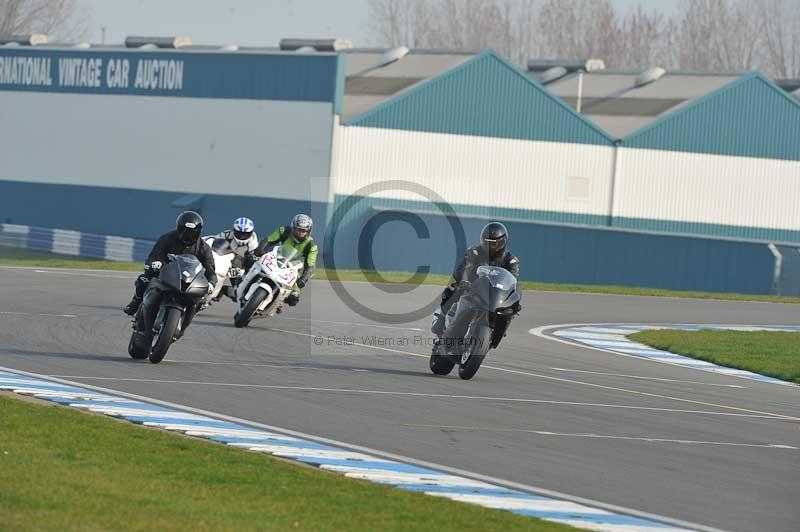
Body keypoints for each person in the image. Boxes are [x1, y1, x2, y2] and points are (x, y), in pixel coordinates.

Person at [123, 212, 218, 337]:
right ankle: (135, 303)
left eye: (191, 232)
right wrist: (155, 264)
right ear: (178, 228)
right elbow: (153, 256)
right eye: (183, 231)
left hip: (188, 281)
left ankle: (182, 327)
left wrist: (211, 284)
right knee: (144, 279)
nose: (187, 235)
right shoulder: (167, 238)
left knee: (201, 301)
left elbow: (211, 270)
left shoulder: (203, 248)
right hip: (166, 274)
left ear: (198, 232)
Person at [431, 222, 520, 336]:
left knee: (510, 309)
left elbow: (514, 281)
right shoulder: (474, 252)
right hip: (473, 288)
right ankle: (441, 318)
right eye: (487, 243)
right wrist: (463, 280)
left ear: (502, 242)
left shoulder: (510, 260)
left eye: (494, 244)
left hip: (496, 295)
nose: (490, 247)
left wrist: (515, 297)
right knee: (452, 289)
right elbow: (463, 269)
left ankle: (498, 332)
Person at [250, 214, 318, 307]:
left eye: (304, 231)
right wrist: (260, 250)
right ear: (293, 228)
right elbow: (269, 240)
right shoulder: (284, 231)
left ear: (308, 232)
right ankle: (243, 280)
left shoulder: (311, 246)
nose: (301, 233)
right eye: (298, 230)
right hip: (276, 257)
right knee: (253, 262)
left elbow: (310, 265)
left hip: (293, 267)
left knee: (294, 296)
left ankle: (279, 302)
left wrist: (303, 279)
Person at [209, 217, 259, 300]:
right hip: (222, 259)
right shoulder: (227, 235)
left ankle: (224, 290)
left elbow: (253, 263)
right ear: (234, 231)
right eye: (239, 233)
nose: (242, 236)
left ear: (251, 233)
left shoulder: (253, 244)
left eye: (245, 234)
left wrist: (243, 271)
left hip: (239, 268)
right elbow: (213, 241)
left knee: (239, 295)